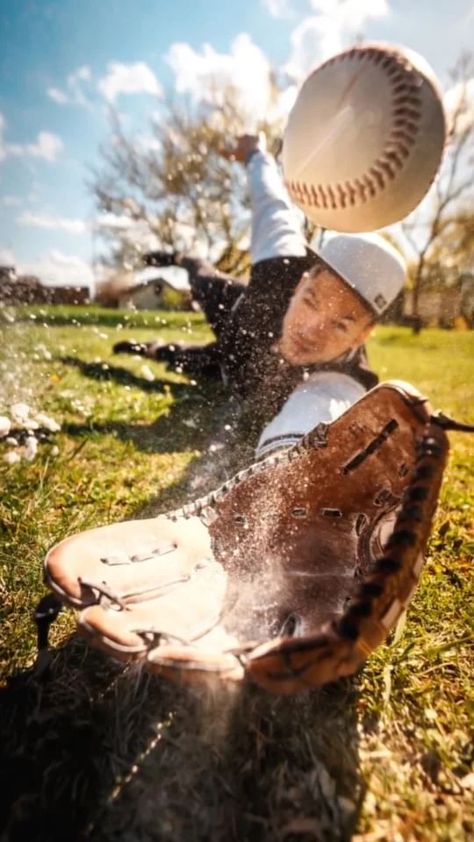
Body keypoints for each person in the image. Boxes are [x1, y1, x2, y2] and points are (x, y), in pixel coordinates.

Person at [114, 134, 407, 453]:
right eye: (310, 301)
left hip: (232, 369)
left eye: (340, 325)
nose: (310, 331)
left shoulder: (345, 380)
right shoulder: (279, 267)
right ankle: (177, 257)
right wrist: (255, 153)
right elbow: (272, 203)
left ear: (362, 335)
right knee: (200, 273)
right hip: (235, 316)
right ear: (299, 284)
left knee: (190, 358)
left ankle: (152, 348)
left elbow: (327, 411)